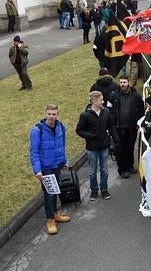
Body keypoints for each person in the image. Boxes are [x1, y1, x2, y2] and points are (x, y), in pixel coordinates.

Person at [30, 104, 71, 235]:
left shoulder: (60, 127)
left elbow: (61, 146)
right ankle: (50, 220)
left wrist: (63, 161)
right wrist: (37, 170)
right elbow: (34, 152)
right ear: (45, 114)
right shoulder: (37, 130)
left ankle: (55, 214)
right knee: (49, 194)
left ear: (57, 115)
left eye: (54, 114)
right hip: (46, 168)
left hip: (57, 165)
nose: (51, 117)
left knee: (55, 190)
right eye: (49, 114)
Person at [76, 91, 118, 201]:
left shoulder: (106, 112)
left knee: (104, 169)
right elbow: (79, 130)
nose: (103, 101)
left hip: (104, 146)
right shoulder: (85, 115)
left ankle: (104, 189)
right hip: (92, 148)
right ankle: (94, 190)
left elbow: (111, 126)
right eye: (101, 100)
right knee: (92, 171)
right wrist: (90, 135)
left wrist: (116, 140)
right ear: (94, 101)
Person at [108, 75, 144, 179]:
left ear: (128, 82)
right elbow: (109, 109)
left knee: (130, 147)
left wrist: (138, 122)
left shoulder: (136, 95)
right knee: (120, 149)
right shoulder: (113, 95)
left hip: (132, 127)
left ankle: (130, 166)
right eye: (121, 82)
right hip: (118, 127)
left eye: (124, 82)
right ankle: (122, 169)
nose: (123, 84)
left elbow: (141, 109)